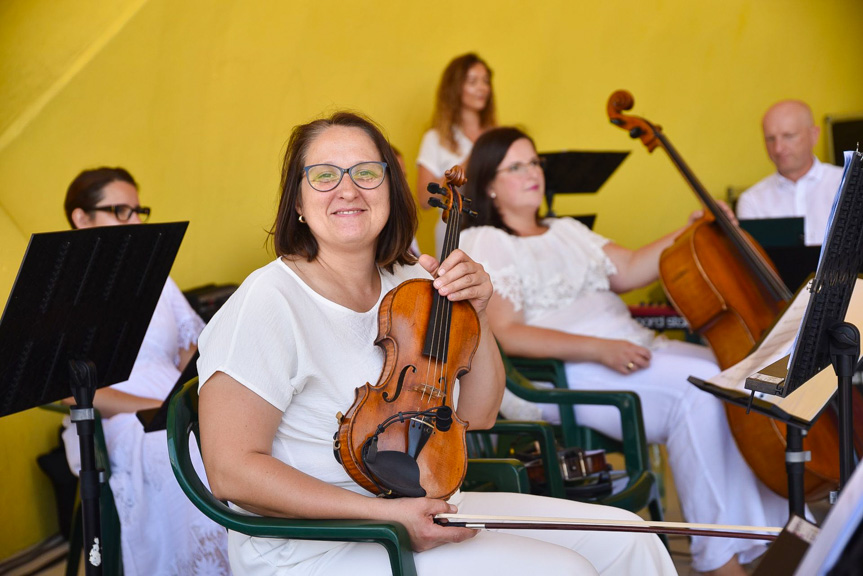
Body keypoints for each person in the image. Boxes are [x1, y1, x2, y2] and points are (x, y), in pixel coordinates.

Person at [195, 112, 676, 575]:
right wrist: (383, 518)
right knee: (564, 571)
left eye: (367, 172)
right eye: (323, 175)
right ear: (297, 201)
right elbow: (231, 471)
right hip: (318, 544)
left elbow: (481, 413)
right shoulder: (268, 300)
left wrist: (478, 311)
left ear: (391, 190)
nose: (348, 189)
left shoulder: (410, 281)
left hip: (417, 507)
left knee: (630, 538)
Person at [459, 127, 790, 576]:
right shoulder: (486, 240)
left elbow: (632, 267)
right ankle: (720, 561)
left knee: (737, 375)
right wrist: (599, 350)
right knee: (697, 392)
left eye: (534, 162)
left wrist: (696, 230)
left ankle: (766, 543)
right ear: (490, 183)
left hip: (629, 349)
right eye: (515, 166)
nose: (532, 172)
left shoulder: (566, 229)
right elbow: (508, 333)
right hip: (566, 370)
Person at [60, 167, 231, 575]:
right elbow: (72, 391)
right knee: (175, 446)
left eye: (138, 211)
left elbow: (193, 334)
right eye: (120, 211)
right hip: (116, 418)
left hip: (173, 398)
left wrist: (182, 381)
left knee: (236, 429)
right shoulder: (66, 287)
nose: (134, 222)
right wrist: (157, 405)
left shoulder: (156, 275)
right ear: (81, 218)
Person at [417, 53, 496, 255]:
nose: (482, 88)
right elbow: (425, 199)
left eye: (485, 81)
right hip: (454, 233)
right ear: (455, 88)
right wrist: (468, 161)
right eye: (472, 82)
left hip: (496, 230)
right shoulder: (435, 138)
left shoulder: (496, 134)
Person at [735, 99, 844, 246]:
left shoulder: (849, 184)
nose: (778, 148)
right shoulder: (752, 201)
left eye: (788, 136)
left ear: (814, 135)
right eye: (770, 139)